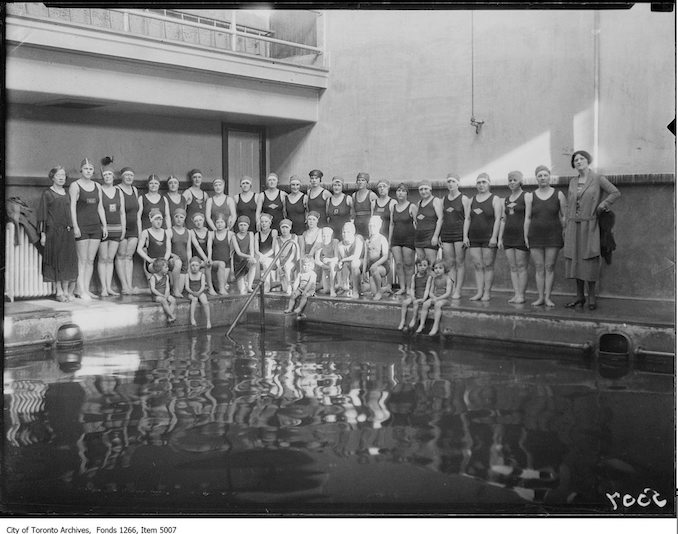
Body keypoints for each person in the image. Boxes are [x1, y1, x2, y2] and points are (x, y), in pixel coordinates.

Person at [563, 150, 620, 310]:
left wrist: (603, 204)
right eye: (576, 160)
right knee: (575, 259)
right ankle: (579, 296)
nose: (579, 161)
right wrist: (566, 224)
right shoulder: (573, 182)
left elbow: (615, 192)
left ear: (588, 161)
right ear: (573, 164)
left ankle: (592, 297)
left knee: (590, 259)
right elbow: (569, 204)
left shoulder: (597, 178)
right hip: (574, 225)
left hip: (590, 225)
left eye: (582, 159)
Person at [525, 165, 567, 307]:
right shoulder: (531, 196)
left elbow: (564, 217)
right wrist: (526, 236)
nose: (542, 178)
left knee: (549, 267)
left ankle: (548, 297)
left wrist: (565, 232)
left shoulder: (559, 194)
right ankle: (540, 297)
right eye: (539, 175)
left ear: (549, 176)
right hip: (535, 236)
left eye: (545, 175)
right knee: (539, 267)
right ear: (536, 178)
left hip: (553, 235)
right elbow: (528, 218)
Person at [38, 166, 78, 302]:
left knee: (67, 262)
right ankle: (59, 291)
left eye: (63, 175)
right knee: (56, 261)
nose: (61, 177)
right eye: (58, 175)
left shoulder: (67, 193)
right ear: (52, 177)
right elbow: (42, 215)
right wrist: (43, 234)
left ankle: (66, 291)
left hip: (68, 232)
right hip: (53, 233)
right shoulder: (47, 194)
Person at [69, 157, 108, 300]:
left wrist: (104, 225)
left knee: (91, 260)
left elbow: (100, 207)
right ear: (81, 170)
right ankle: (80, 289)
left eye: (91, 169)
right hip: (82, 226)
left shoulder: (97, 186)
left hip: (95, 226)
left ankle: (86, 288)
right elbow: (72, 207)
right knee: (82, 259)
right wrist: (75, 226)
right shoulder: (75, 185)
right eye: (86, 169)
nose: (88, 171)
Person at [463, 173, 502, 301]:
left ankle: (487, 293)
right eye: (479, 182)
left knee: (488, 265)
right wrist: (465, 236)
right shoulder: (472, 200)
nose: (481, 185)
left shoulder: (495, 199)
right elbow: (467, 219)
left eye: (484, 182)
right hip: (474, 237)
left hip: (488, 237)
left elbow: (498, 219)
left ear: (489, 183)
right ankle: (479, 292)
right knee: (478, 265)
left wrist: (494, 237)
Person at [497, 171, 529, 304]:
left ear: (520, 181)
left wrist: (527, 236)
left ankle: (521, 295)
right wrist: (500, 238)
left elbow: (529, 217)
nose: (511, 182)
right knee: (513, 267)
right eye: (510, 180)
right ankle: (516, 294)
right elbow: (503, 220)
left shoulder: (526, 196)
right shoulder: (505, 199)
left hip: (521, 236)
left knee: (521, 266)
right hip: (508, 237)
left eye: (514, 180)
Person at [97, 160, 125, 297]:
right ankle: (103, 288)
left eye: (110, 174)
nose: (108, 176)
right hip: (103, 228)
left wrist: (123, 229)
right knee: (103, 258)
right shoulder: (99, 190)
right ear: (103, 176)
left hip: (117, 228)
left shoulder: (119, 191)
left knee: (110, 259)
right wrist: (103, 226)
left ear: (114, 176)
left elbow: (122, 212)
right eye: (105, 174)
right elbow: (99, 208)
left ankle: (109, 287)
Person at [440, 173, 469, 300]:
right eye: (449, 181)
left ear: (458, 183)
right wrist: (440, 234)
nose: (450, 184)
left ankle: (458, 289)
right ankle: (450, 288)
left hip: (459, 234)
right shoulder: (443, 200)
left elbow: (468, 218)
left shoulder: (464, 199)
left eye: (453, 181)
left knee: (460, 262)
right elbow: (441, 218)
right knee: (450, 263)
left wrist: (465, 236)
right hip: (447, 234)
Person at [115, 166, 140, 295]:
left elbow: (138, 213)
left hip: (134, 228)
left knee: (129, 257)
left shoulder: (134, 190)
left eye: (131, 175)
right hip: (122, 228)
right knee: (121, 256)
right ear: (122, 177)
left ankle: (129, 285)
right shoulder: (117, 189)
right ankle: (124, 286)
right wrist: (122, 230)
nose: (129, 177)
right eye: (126, 175)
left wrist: (139, 231)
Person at [390, 183, 417, 296]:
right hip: (396, 239)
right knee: (399, 264)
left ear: (407, 193)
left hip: (409, 239)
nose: (400, 193)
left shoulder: (412, 206)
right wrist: (389, 240)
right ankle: (402, 287)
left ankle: (410, 287)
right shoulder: (393, 207)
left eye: (403, 191)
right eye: (398, 190)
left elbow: (417, 224)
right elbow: (391, 224)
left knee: (408, 264)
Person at [415, 260, 453, 336]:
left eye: (440, 268)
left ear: (444, 269)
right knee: (425, 304)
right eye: (435, 268)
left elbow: (448, 293)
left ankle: (435, 326)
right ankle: (422, 324)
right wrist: (433, 297)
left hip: (445, 299)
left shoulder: (448, 279)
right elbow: (431, 292)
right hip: (436, 297)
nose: (437, 270)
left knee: (437, 305)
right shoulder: (434, 279)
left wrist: (438, 299)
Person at [414, 180, 443, 267]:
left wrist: (436, 236)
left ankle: (432, 281)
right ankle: (424, 281)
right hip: (419, 237)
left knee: (431, 265)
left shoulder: (436, 200)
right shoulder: (419, 203)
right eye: (421, 189)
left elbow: (441, 218)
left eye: (426, 189)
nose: (423, 191)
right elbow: (416, 220)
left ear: (430, 189)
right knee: (421, 265)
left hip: (430, 236)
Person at [137, 209, 171, 280]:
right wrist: (149, 259)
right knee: (159, 267)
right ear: (151, 220)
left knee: (176, 263)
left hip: (163, 261)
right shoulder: (146, 232)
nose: (158, 222)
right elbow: (139, 249)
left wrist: (164, 260)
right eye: (156, 219)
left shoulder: (166, 232)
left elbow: (168, 250)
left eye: (160, 220)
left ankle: (175, 288)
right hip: (152, 263)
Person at [397, 258, 430, 331]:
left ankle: (414, 318)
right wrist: (412, 296)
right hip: (415, 296)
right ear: (417, 266)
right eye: (420, 265)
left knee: (415, 303)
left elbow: (427, 289)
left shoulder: (428, 277)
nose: (422, 267)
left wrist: (424, 298)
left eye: (424, 265)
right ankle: (402, 320)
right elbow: (412, 288)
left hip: (423, 296)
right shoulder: (414, 276)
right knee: (405, 303)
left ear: (427, 266)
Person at [189, 212, 217, 296]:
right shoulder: (192, 232)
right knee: (206, 264)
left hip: (205, 258)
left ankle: (212, 287)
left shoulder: (208, 232)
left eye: (200, 220)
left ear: (204, 220)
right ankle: (209, 288)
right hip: (195, 258)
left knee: (208, 264)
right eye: (196, 221)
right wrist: (205, 259)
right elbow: (197, 246)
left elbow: (209, 246)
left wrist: (209, 258)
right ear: (193, 222)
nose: (198, 222)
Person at [363, 215, 390, 300]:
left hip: (382, 267)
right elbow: (365, 257)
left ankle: (379, 292)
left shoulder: (382, 239)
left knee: (374, 269)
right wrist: (364, 270)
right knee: (372, 292)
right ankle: (385, 289)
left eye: (374, 225)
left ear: (379, 226)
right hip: (372, 268)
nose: (371, 228)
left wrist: (376, 264)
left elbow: (386, 256)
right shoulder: (368, 241)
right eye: (370, 225)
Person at [336, 221, 364, 299]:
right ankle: (346, 287)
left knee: (354, 263)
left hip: (361, 263)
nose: (345, 234)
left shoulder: (358, 240)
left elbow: (356, 256)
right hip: (349, 264)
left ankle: (355, 290)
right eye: (344, 232)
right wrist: (341, 262)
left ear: (353, 232)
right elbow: (345, 260)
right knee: (343, 265)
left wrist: (342, 260)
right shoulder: (340, 245)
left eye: (348, 232)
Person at [231, 215, 257, 294]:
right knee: (242, 291)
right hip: (238, 262)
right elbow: (238, 252)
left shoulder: (250, 234)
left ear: (248, 226)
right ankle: (243, 283)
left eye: (245, 225)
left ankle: (249, 285)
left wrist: (252, 257)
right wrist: (249, 256)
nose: (243, 227)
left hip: (247, 260)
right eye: (241, 225)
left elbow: (251, 248)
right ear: (238, 226)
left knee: (254, 262)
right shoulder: (234, 236)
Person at [169, 208, 191, 298]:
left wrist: (189, 265)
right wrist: (172, 255)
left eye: (181, 217)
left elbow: (189, 250)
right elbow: (167, 249)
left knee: (180, 289)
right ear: (173, 218)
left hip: (184, 263)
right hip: (173, 262)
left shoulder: (188, 232)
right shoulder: (169, 231)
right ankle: (173, 288)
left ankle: (175, 289)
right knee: (176, 290)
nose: (179, 219)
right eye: (176, 217)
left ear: (184, 218)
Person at [210, 213, 233, 295]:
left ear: (225, 223)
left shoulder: (230, 234)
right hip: (215, 264)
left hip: (226, 264)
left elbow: (232, 251)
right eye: (217, 222)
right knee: (218, 287)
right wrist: (209, 259)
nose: (219, 224)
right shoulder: (212, 234)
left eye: (222, 222)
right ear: (215, 223)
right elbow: (209, 248)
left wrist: (232, 269)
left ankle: (223, 286)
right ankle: (222, 287)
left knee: (221, 286)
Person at [185, 256, 212, 329]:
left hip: (200, 291)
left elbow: (203, 286)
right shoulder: (188, 275)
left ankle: (208, 321)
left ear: (199, 266)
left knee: (205, 302)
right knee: (194, 300)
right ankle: (192, 318)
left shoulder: (201, 275)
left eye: (196, 265)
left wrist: (199, 292)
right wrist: (192, 292)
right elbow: (187, 287)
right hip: (191, 292)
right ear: (190, 266)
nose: (194, 267)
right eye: (192, 265)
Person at [255, 212, 278, 292]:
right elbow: (256, 250)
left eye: (266, 222)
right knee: (263, 264)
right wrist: (262, 256)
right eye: (262, 222)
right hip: (262, 259)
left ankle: (267, 286)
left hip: (271, 259)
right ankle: (266, 285)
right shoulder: (257, 234)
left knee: (266, 263)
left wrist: (264, 256)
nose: (264, 224)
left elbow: (273, 249)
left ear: (270, 223)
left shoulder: (274, 232)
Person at [148, 258, 176, 324]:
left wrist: (167, 294)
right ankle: (172, 316)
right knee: (164, 301)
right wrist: (161, 295)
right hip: (156, 296)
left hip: (164, 294)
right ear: (160, 269)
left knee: (173, 300)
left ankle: (170, 317)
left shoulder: (166, 276)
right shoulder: (153, 277)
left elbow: (167, 287)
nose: (168, 269)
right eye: (166, 267)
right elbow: (153, 289)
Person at [275, 219, 299, 295]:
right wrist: (279, 266)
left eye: (286, 227)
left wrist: (287, 262)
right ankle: (280, 285)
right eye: (283, 227)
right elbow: (277, 253)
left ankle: (289, 285)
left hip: (291, 261)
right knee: (284, 289)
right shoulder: (278, 239)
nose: (284, 230)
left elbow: (293, 252)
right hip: (281, 261)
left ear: (290, 228)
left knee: (287, 267)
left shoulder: (294, 237)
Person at [314, 226, 339, 297]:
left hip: (335, 268)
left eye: (328, 236)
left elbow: (336, 258)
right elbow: (317, 260)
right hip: (325, 268)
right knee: (325, 291)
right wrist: (325, 267)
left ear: (331, 236)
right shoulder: (319, 245)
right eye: (323, 236)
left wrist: (329, 260)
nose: (325, 238)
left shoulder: (335, 242)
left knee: (332, 264)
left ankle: (332, 289)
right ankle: (320, 286)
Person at [352, 172, 377, 238]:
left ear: (367, 182)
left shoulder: (372, 195)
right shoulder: (354, 195)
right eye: (359, 180)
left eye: (363, 180)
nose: (360, 182)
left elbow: (375, 213)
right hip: (357, 225)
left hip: (367, 225)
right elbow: (353, 212)